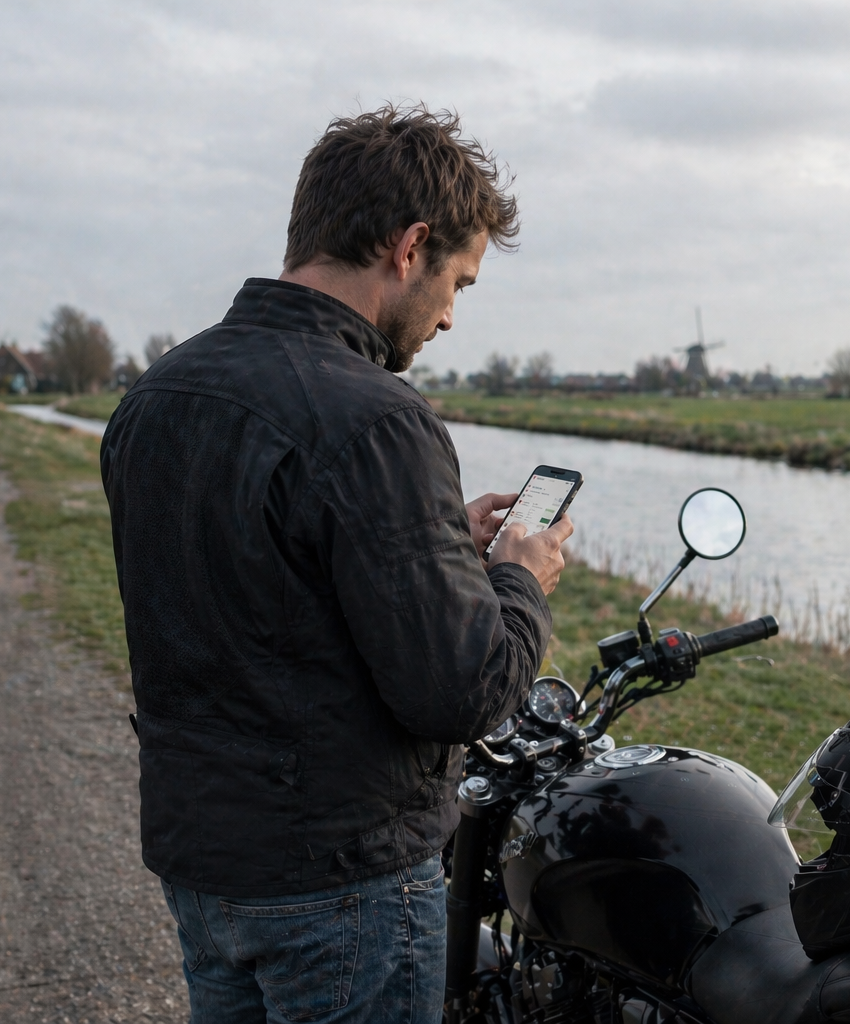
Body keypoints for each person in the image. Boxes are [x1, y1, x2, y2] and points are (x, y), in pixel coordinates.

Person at [100, 104, 571, 1024]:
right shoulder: (379, 419)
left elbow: (258, 585)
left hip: (202, 863)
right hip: (342, 884)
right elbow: (465, 692)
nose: (449, 317)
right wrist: (517, 576)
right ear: (410, 247)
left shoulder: (156, 395)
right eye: (458, 284)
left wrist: (435, 540)